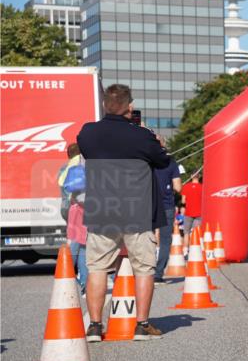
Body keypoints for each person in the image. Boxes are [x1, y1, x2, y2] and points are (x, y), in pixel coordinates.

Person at [76, 84, 170, 341]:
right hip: (136, 212)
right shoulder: (141, 136)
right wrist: (156, 142)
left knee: (96, 268)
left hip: (101, 212)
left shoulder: (88, 133)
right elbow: (163, 161)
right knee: (143, 268)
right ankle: (142, 324)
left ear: (105, 105)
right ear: (129, 107)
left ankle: (95, 326)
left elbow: (86, 151)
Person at [59, 145, 88, 292]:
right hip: (78, 208)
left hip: (68, 208)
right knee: (78, 244)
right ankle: (67, 276)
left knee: (81, 244)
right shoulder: (79, 164)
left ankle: (82, 281)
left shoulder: (65, 167)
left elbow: (62, 186)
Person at [153, 137, 182, 283]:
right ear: (164, 144)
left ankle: (145, 271)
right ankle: (158, 273)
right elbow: (178, 187)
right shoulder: (171, 162)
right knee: (165, 240)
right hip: (167, 205)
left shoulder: (147, 160)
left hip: (148, 204)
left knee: (146, 238)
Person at [180, 172, 203, 255]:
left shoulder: (186, 186)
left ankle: (185, 252)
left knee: (186, 233)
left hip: (188, 212)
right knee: (196, 233)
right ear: (199, 176)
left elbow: (183, 201)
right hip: (199, 213)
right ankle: (196, 252)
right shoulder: (202, 187)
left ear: (191, 176)